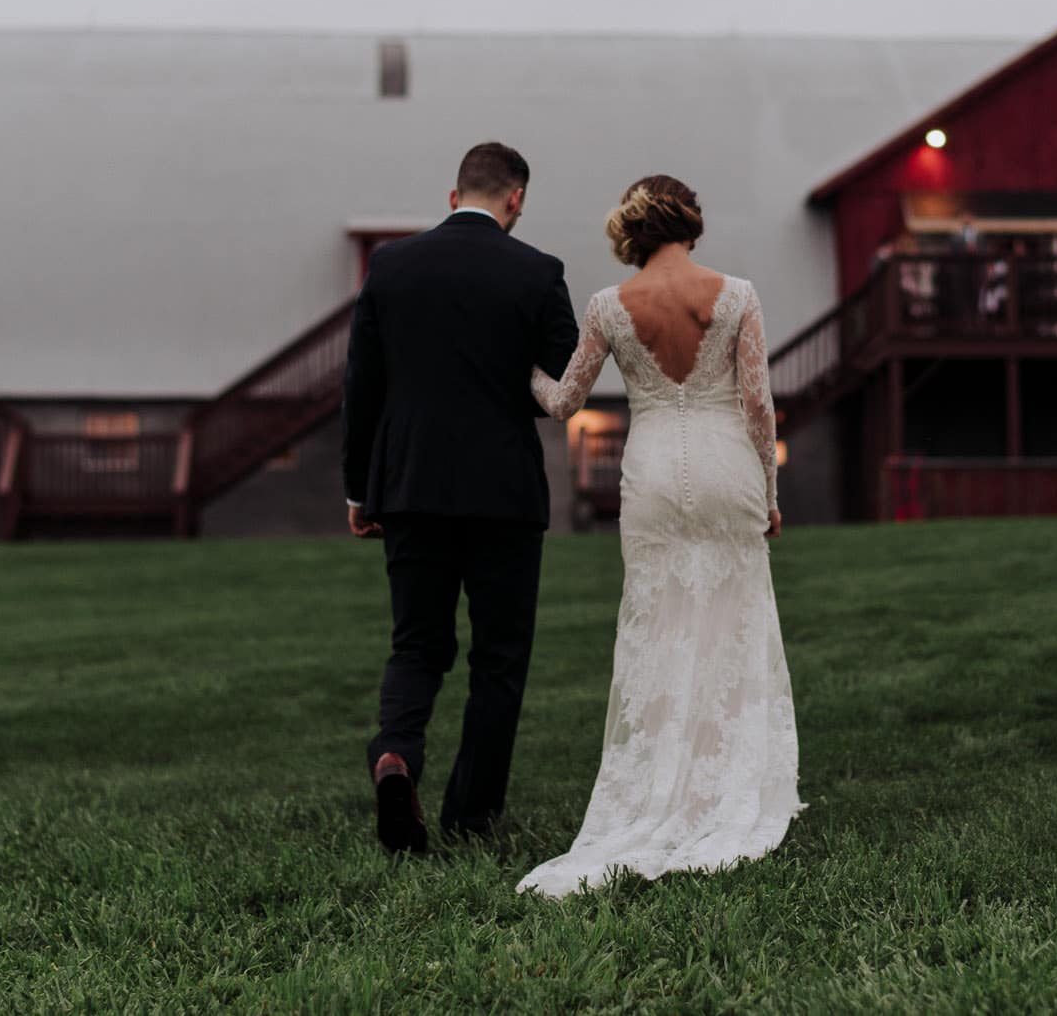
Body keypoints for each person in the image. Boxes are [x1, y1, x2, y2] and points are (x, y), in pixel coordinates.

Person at [517, 175, 803, 897]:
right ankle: (725, 782)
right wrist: (769, 494)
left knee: (658, 624)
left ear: (632, 232)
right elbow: (758, 404)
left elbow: (563, 402)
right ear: (691, 222)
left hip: (649, 475)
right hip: (725, 464)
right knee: (732, 619)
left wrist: (522, 366)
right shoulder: (736, 293)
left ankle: (657, 784)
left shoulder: (609, 306)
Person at [341, 141, 580, 854]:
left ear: (454, 196)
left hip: (410, 485)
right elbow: (564, 376)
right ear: (517, 200)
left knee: (417, 642)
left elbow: (363, 386)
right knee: (499, 656)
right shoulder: (538, 272)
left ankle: (397, 755)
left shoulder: (391, 266)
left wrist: (361, 486)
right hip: (503, 490)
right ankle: (469, 816)